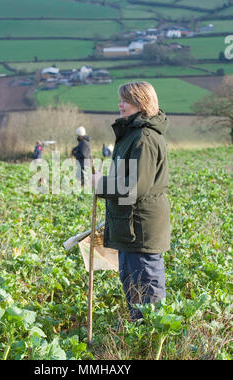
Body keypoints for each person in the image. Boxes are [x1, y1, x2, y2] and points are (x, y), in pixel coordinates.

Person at [92, 81, 170, 322]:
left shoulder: (144, 137)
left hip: (140, 229)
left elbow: (137, 186)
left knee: (147, 295)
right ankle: (142, 341)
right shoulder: (132, 135)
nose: (120, 104)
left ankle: (152, 344)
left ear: (140, 103)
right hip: (130, 228)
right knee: (135, 291)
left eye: (125, 100)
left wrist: (99, 184)